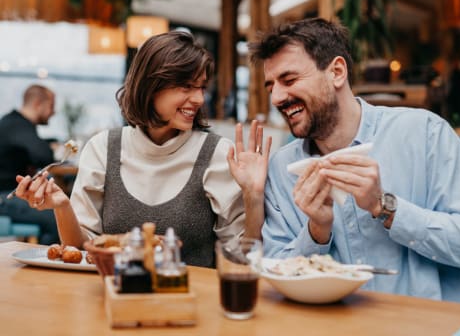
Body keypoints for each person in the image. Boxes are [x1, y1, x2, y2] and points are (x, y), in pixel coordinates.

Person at [236, 17, 460, 306]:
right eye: (271, 86)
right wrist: (317, 232)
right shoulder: (281, 169)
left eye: (289, 80)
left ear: (336, 72)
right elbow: (275, 270)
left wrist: (384, 206)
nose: (277, 98)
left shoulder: (426, 133)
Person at [13, 31, 266, 268]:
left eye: (201, 87)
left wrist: (253, 197)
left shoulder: (218, 153)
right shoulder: (103, 148)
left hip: (191, 301)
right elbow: (80, 250)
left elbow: (241, 256)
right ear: (150, 86)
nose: (199, 99)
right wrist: (62, 207)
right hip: (111, 297)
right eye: (186, 87)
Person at [0, 84, 59, 245]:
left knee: (57, 211)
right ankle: (44, 264)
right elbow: (45, 155)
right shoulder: (17, 125)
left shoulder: (14, 123)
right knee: (58, 219)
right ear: (38, 104)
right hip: (5, 197)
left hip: (11, 194)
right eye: (51, 106)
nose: (54, 112)